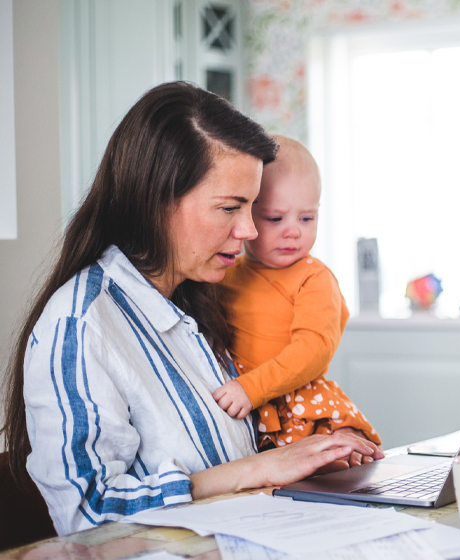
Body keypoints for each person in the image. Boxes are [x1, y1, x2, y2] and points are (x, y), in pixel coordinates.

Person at [1, 82, 382, 536]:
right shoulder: (81, 325)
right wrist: (255, 469)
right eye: (229, 208)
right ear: (157, 199)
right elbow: (89, 513)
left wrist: (319, 445)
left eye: (252, 208)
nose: (246, 230)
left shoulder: (203, 297)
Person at [212, 137, 381, 456]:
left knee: (332, 464)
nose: (293, 231)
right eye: (276, 218)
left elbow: (313, 350)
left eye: (307, 218)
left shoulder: (315, 278)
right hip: (247, 409)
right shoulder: (227, 273)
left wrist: (252, 387)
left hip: (300, 406)